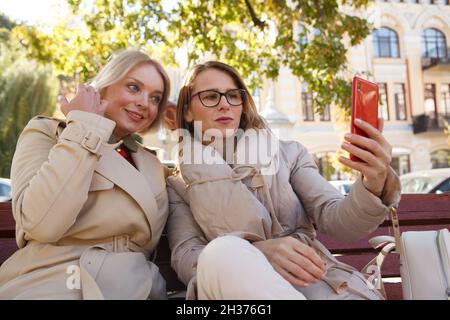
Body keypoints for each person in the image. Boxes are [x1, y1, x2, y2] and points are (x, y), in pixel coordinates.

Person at [166, 61, 401, 300]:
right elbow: (187, 255)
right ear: (187, 111)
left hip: (314, 280)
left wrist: (374, 180)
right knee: (221, 252)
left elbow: (338, 220)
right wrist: (257, 252)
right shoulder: (179, 184)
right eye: (211, 96)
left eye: (233, 95)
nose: (225, 104)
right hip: (235, 288)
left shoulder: (288, 155)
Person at [0, 49, 171, 299]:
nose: (145, 103)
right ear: (103, 86)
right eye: (134, 87)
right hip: (53, 283)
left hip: (136, 288)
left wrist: (188, 129)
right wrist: (84, 125)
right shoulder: (48, 133)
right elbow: (41, 225)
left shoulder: (153, 164)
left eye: (155, 98)